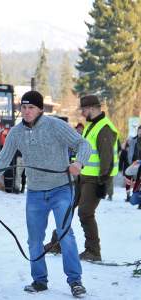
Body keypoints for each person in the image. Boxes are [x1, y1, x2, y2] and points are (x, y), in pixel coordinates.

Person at [0, 91, 90, 298]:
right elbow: (3, 158)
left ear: (40, 109)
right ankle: (39, 280)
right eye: (24, 108)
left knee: (65, 234)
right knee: (34, 239)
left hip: (61, 189)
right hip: (35, 193)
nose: (26, 111)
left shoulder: (55, 126)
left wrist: (78, 162)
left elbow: (83, 144)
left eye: (31, 108)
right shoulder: (16, 133)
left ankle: (75, 281)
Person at [77, 95, 118, 262]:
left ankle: (93, 251)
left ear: (93, 108)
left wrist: (103, 182)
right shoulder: (91, 125)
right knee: (64, 207)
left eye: (84, 109)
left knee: (85, 213)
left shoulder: (104, 128)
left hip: (95, 180)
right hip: (83, 176)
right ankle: (57, 243)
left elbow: (106, 158)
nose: (82, 113)